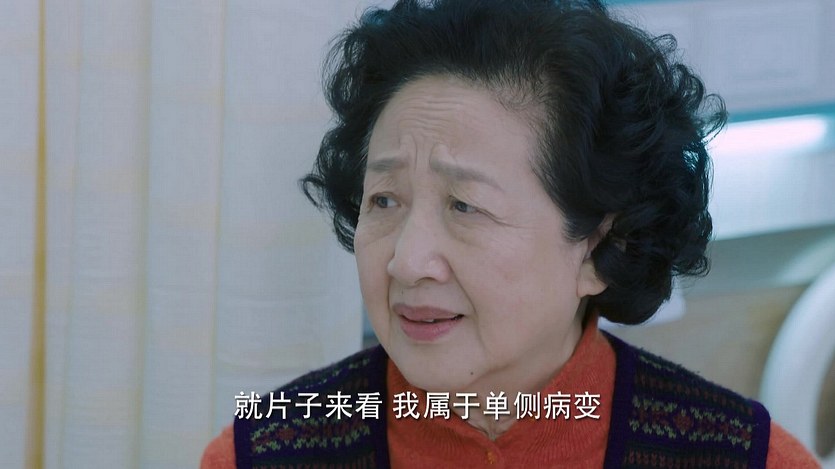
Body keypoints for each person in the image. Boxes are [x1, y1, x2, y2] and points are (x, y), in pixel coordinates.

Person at [202, 0, 821, 467]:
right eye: (385, 200)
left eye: (465, 206)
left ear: (603, 246)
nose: (406, 262)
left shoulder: (743, 456)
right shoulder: (263, 452)